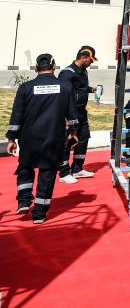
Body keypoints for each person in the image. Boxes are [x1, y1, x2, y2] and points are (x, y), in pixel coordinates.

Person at [6, 53, 78, 224]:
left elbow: (17, 115)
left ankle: (24, 201)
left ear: (36, 68)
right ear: (54, 66)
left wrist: (11, 139)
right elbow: (72, 114)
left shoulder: (25, 87)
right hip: (53, 138)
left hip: (29, 138)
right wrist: (73, 133)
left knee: (25, 167)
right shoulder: (65, 86)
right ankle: (39, 213)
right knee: (47, 173)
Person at [57, 46, 98, 184]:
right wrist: (65, 117)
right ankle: (64, 172)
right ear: (83, 57)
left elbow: (80, 88)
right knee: (68, 141)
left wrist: (92, 89)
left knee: (83, 138)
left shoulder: (83, 71)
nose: (91, 63)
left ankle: (77, 168)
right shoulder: (67, 73)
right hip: (69, 113)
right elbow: (62, 95)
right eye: (90, 60)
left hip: (81, 112)